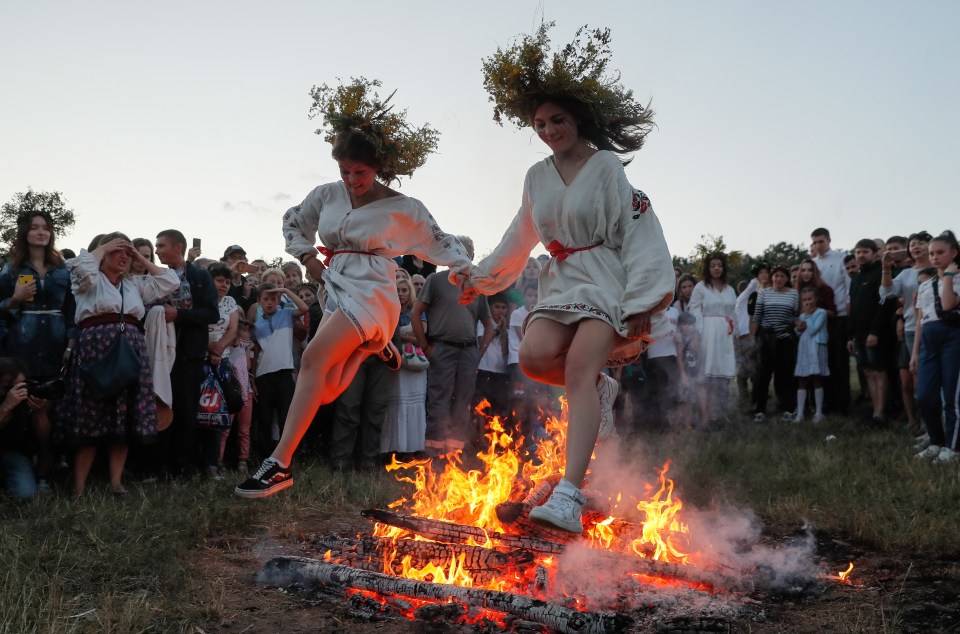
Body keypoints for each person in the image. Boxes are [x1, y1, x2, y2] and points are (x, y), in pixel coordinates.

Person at [456, 24, 674, 533]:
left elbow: (639, 227)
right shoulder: (536, 176)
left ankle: (570, 497)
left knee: (577, 367)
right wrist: (482, 277)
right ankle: (600, 392)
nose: (550, 130)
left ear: (577, 118)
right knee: (533, 358)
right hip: (560, 281)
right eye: (540, 123)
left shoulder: (606, 168)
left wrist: (643, 299)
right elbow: (519, 234)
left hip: (608, 279)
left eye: (557, 120)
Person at [235, 78, 475, 497]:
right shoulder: (328, 194)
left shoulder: (404, 208)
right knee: (323, 390)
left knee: (310, 361)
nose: (350, 179)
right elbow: (293, 221)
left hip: (375, 288)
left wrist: (468, 270)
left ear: (378, 166)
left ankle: (280, 463)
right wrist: (306, 255)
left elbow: (441, 241)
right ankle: (372, 347)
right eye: (344, 171)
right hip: (336, 284)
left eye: (359, 172)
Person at [60, 234, 179, 496]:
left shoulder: (135, 284)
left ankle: (116, 482)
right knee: (91, 416)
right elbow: (79, 265)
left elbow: (170, 281)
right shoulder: (88, 281)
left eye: (128, 252)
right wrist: (103, 247)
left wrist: (137, 257)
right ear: (102, 254)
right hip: (95, 353)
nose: (124, 256)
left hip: (130, 352)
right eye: (118, 251)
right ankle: (79, 486)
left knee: (123, 417)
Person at [0, 211, 76, 492]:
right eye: (35, 228)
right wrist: (14, 299)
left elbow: (71, 310)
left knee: (48, 408)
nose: (41, 232)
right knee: (24, 406)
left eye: (46, 227)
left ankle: (45, 472)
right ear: (25, 233)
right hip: (22, 344)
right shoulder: (11, 268)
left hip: (56, 344)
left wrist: (71, 342)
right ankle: (23, 466)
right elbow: (0, 308)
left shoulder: (61, 269)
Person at [411, 236, 495, 456]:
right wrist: (426, 347)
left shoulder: (477, 286)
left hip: (468, 352)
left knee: (463, 403)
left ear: (472, 256)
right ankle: (434, 457)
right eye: (458, 251)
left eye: (467, 251)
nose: (462, 255)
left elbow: (489, 325)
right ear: (449, 256)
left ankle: (453, 457)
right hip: (442, 349)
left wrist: (478, 353)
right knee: (439, 403)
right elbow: (416, 312)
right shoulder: (435, 280)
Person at [154, 229, 219, 477]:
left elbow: (212, 314)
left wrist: (179, 315)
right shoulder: (157, 276)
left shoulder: (200, 275)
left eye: (162, 245)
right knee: (160, 406)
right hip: (160, 354)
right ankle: (159, 465)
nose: (157, 250)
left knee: (185, 410)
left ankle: (182, 466)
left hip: (188, 355)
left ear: (178, 247)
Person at [911, 232, 960, 463]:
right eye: (932, 253)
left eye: (940, 252)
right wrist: (914, 353)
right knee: (925, 395)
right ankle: (936, 440)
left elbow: (949, 304)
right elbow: (921, 321)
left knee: (952, 396)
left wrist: (949, 275)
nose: (934, 257)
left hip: (954, 338)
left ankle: (952, 447)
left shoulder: (957, 278)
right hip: (929, 340)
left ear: (954, 253)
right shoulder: (925, 286)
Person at [880, 231, 933, 435]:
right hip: (912, 328)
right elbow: (888, 292)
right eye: (912, 244)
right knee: (915, 379)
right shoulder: (907, 273)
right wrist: (885, 268)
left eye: (920, 243)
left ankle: (934, 426)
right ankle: (921, 424)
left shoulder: (941, 267)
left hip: (939, 325)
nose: (916, 247)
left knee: (929, 378)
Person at [847, 238, 897, 424]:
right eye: (858, 252)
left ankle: (880, 412)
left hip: (876, 333)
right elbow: (853, 308)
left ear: (875, 253)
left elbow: (884, 304)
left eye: (864, 252)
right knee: (868, 372)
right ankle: (874, 409)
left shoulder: (880, 274)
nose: (860, 255)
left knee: (879, 371)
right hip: (858, 334)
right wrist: (850, 336)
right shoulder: (856, 278)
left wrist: (874, 332)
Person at [381, 276, 429, 458]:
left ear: (410, 292)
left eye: (404, 290)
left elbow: (420, 334)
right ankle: (393, 447)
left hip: (415, 366)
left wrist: (401, 337)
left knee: (414, 403)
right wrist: (407, 336)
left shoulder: (418, 311)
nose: (400, 294)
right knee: (396, 403)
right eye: (397, 290)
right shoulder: (388, 310)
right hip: (396, 365)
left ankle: (413, 447)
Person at [687, 254, 737, 425]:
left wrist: (734, 336)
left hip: (725, 335)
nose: (716, 268)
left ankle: (716, 415)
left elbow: (733, 314)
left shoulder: (730, 289)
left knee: (719, 378)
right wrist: (697, 334)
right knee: (704, 378)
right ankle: (704, 417)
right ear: (708, 268)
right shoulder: (701, 287)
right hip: (707, 332)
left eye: (719, 265)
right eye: (713, 265)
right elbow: (694, 311)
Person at [750, 265, 799, 422]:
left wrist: (799, 324)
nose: (779, 279)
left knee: (785, 376)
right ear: (772, 278)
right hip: (766, 339)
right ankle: (760, 410)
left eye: (782, 276)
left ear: (787, 278)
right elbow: (757, 317)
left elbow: (795, 316)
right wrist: (752, 337)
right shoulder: (764, 293)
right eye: (776, 276)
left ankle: (787, 408)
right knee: (763, 376)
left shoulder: (793, 294)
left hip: (785, 339)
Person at [811, 228, 851, 415]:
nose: (818, 245)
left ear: (829, 240)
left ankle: (843, 404)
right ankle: (826, 402)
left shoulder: (841, 258)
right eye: (815, 242)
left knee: (840, 362)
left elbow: (848, 286)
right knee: (822, 361)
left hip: (840, 316)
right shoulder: (812, 263)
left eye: (821, 241)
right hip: (819, 317)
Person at [0, 357, 42, 500]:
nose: (18, 391)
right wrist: (5, 407)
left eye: (22, 386)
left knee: (26, 495)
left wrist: (39, 412)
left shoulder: (25, 400)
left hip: (13, 453)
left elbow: (43, 438)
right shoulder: (9, 400)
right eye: (9, 387)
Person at [792, 288, 829, 423]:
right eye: (805, 300)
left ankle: (819, 412)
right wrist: (797, 328)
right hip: (805, 347)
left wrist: (807, 316)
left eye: (810, 299)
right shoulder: (802, 315)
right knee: (802, 378)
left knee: (816, 378)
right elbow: (799, 332)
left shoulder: (821, 313)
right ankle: (800, 413)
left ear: (816, 299)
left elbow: (813, 329)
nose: (808, 302)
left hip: (817, 346)